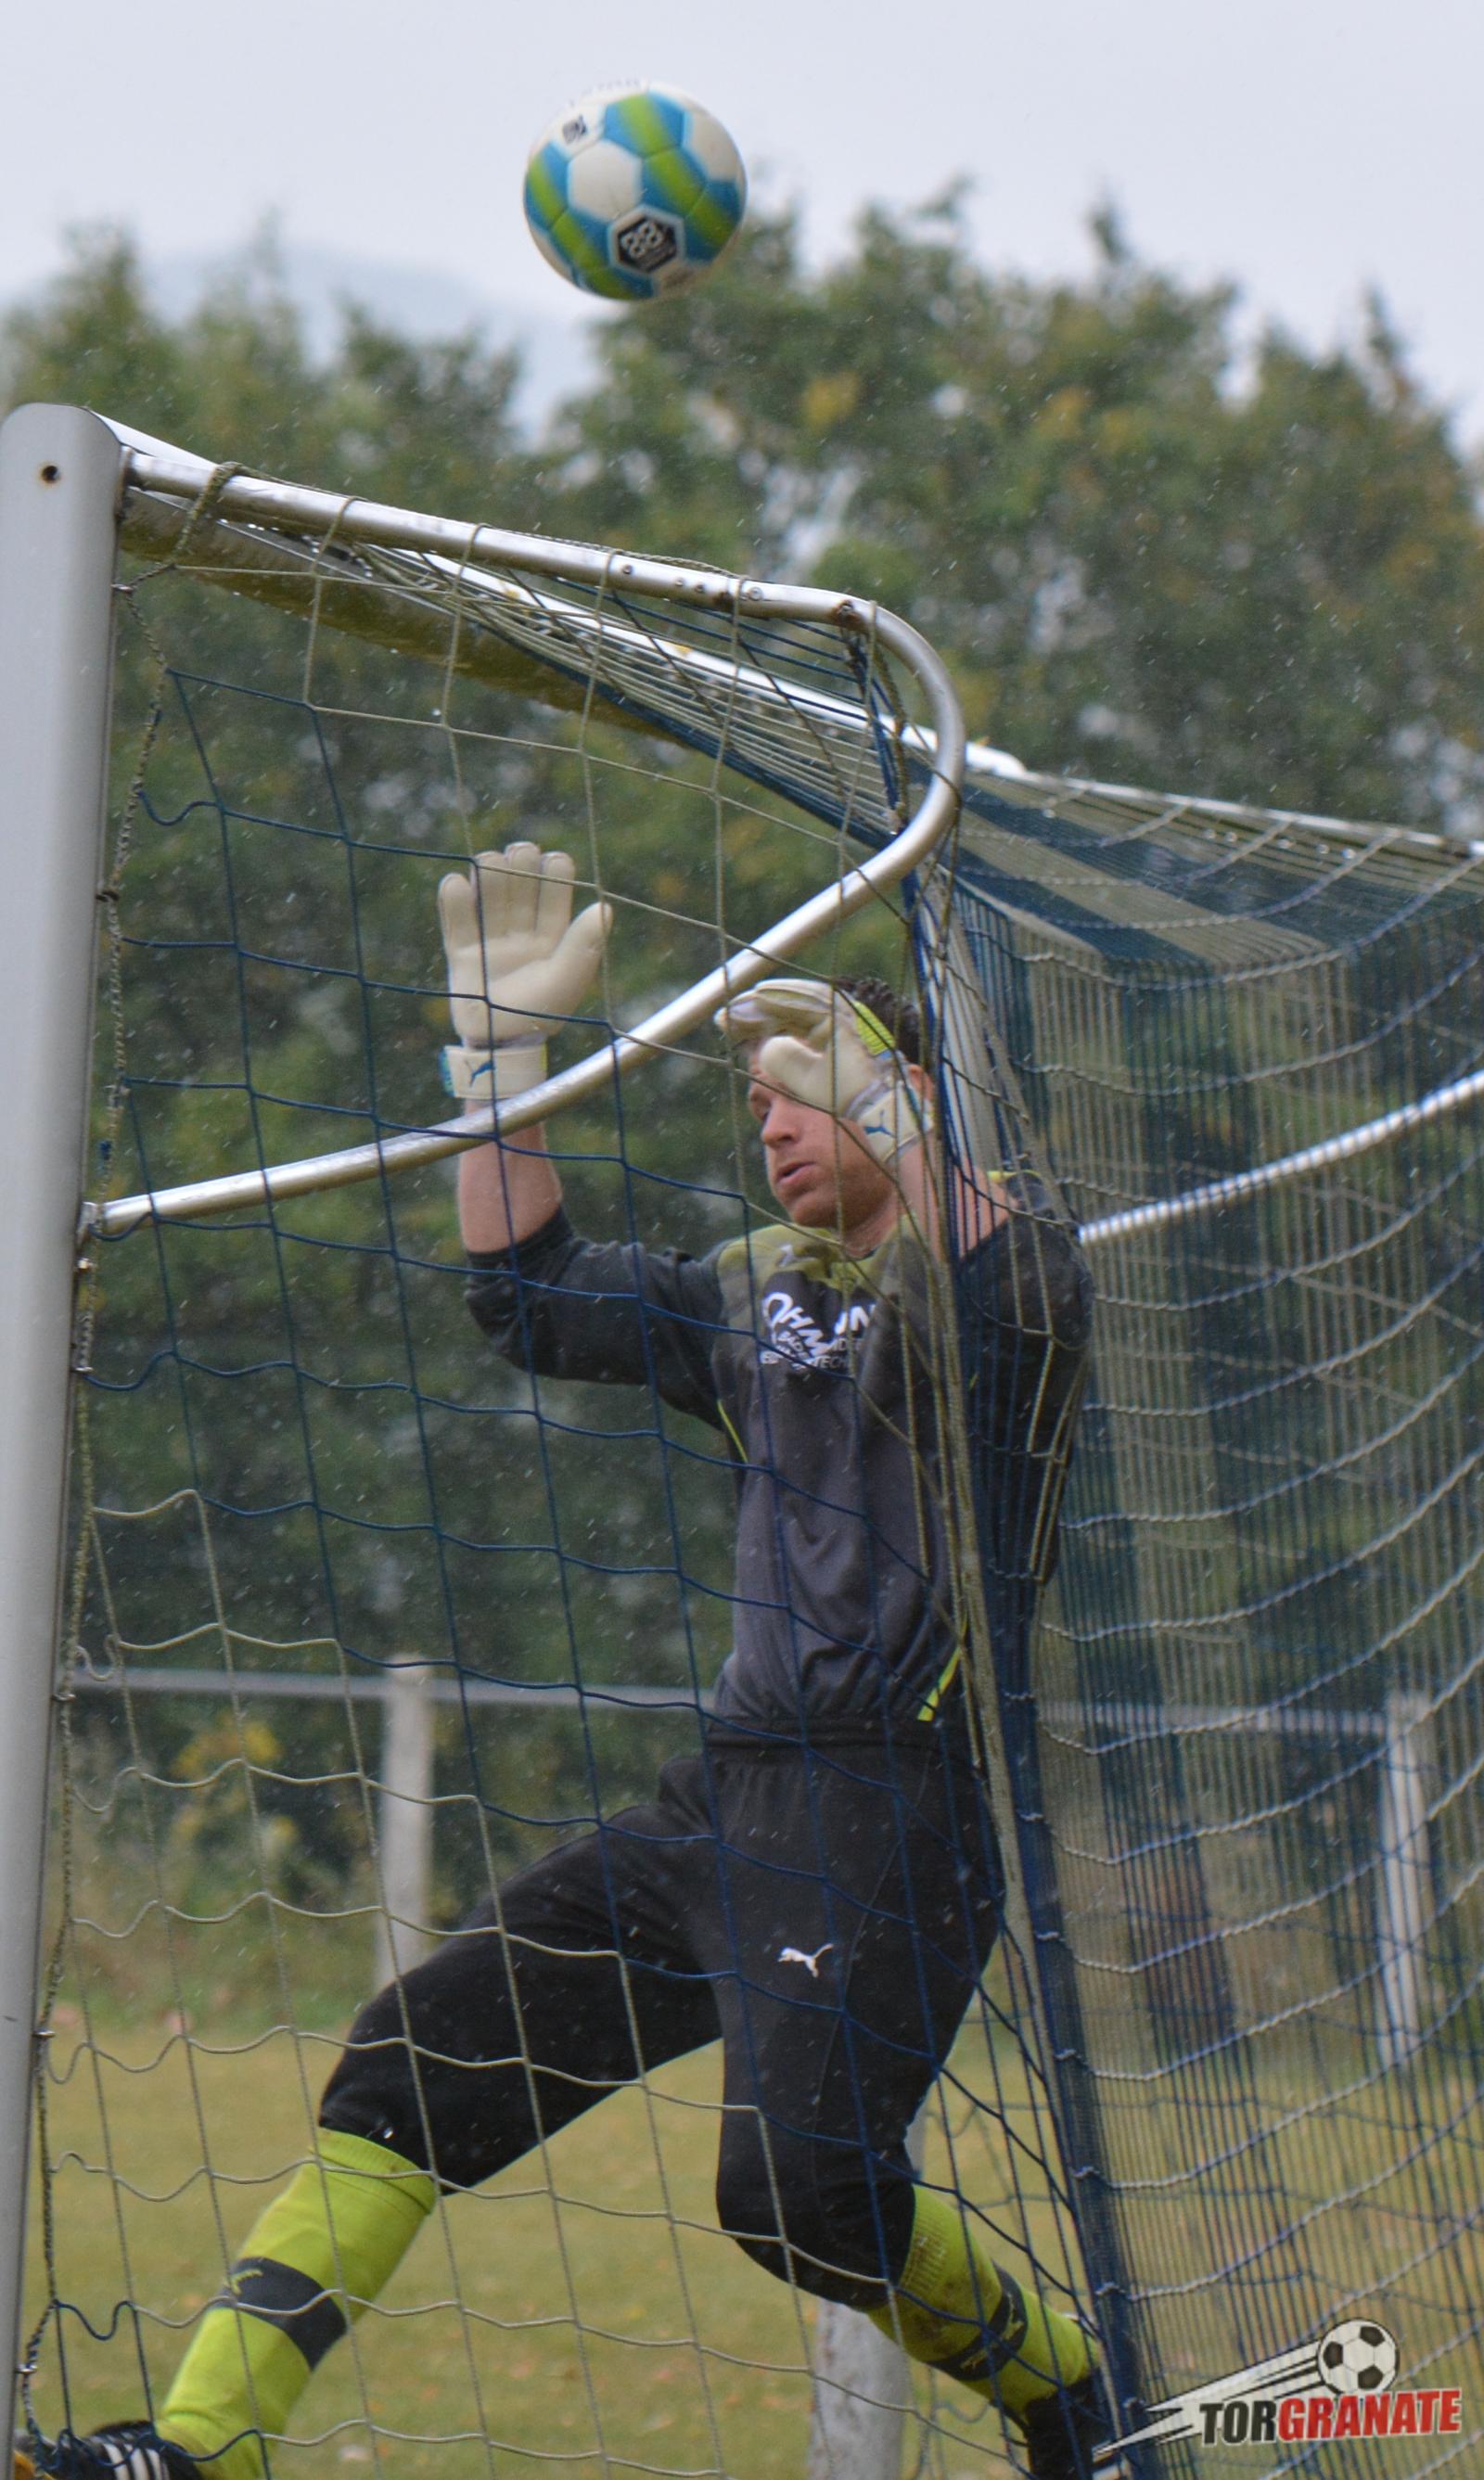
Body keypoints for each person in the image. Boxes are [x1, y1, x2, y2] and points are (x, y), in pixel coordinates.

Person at [23, 843, 1110, 2480]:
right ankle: (196, 2453)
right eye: (757, 1101)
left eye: (802, 1090)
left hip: (893, 1816)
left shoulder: (1002, 1281)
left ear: (895, 1094)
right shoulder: (754, 1295)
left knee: (798, 2195)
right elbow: (526, 1295)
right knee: (409, 2062)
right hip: (722, 1804)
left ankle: (1073, 2397)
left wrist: (900, 1115)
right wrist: (500, 1063)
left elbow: (1016, 1279)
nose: (769, 1123)